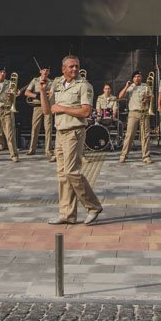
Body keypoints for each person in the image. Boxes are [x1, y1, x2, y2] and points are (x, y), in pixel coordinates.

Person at [41, 57, 103, 225]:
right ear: (63, 69)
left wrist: (62, 108)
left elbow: (86, 112)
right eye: (71, 67)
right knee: (62, 175)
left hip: (74, 132)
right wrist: (43, 91)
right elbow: (47, 111)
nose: (75, 69)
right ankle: (67, 214)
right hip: (60, 133)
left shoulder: (84, 85)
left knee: (71, 171)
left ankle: (93, 206)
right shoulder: (57, 84)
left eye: (77, 66)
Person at [117, 71, 153, 164]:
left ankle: (146, 156)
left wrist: (147, 99)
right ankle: (123, 155)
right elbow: (120, 96)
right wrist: (126, 86)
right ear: (133, 78)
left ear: (141, 77)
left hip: (144, 113)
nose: (137, 78)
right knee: (129, 135)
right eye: (135, 77)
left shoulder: (146, 86)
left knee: (145, 135)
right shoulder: (130, 87)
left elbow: (150, 97)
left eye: (139, 76)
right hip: (133, 113)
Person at [24, 68, 54, 159]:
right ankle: (32, 149)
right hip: (37, 106)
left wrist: (46, 94)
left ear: (49, 72)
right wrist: (36, 95)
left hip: (47, 106)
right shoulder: (35, 80)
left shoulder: (51, 82)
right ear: (40, 71)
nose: (45, 72)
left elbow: (52, 93)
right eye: (43, 70)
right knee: (35, 127)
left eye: (47, 70)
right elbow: (27, 92)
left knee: (48, 128)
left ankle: (48, 150)